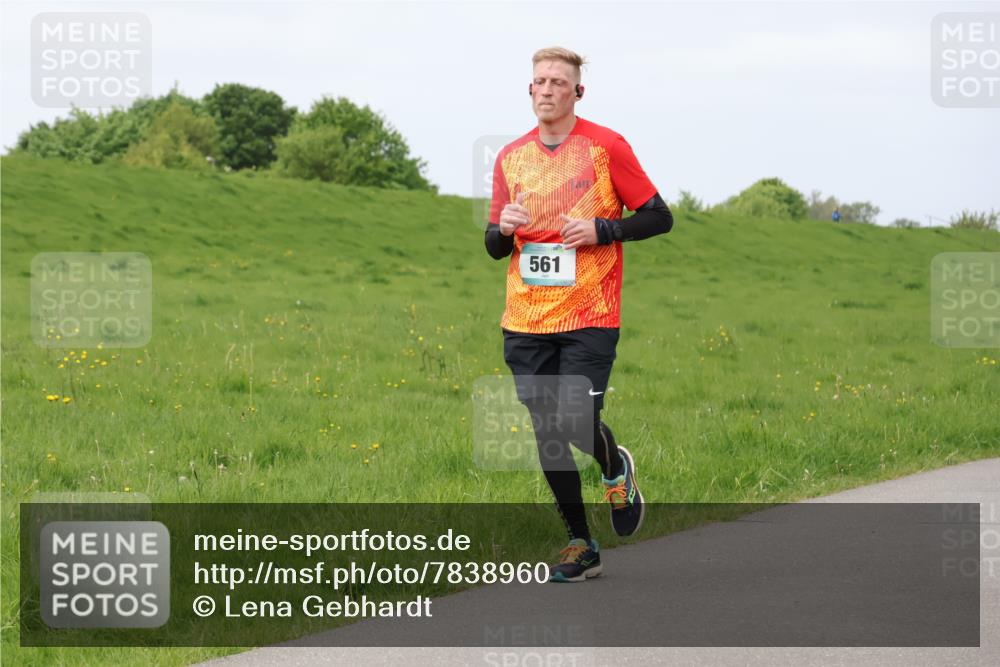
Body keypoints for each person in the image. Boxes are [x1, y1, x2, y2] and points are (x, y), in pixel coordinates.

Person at [484, 46, 673, 583]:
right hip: (525, 318)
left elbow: (660, 217)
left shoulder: (606, 147)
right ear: (529, 90)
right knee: (548, 430)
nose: (546, 89)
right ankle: (579, 542)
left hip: (590, 311)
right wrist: (503, 230)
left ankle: (615, 468)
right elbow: (495, 248)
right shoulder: (511, 158)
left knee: (573, 419)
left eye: (557, 82)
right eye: (538, 81)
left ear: (577, 92)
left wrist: (603, 229)